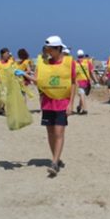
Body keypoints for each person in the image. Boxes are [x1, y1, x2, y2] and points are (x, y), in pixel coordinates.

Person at [22, 35, 76, 177]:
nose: (48, 52)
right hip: (47, 103)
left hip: (62, 102)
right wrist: (24, 74)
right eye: (47, 49)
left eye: (50, 49)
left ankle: (54, 162)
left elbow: (73, 83)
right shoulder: (43, 63)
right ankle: (55, 159)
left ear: (58, 49)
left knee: (59, 133)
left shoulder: (69, 62)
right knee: (50, 133)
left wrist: (71, 103)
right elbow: (38, 81)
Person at [75, 49, 97, 115]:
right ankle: (79, 107)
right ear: (83, 55)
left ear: (77, 55)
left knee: (82, 95)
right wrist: (95, 80)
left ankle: (85, 110)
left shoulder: (75, 63)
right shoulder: (87, 62)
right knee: (83, 94)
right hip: (87, 81)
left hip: (79, 81)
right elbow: (92, 72)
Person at [0, 48, 14, 114]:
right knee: (0, 96)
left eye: (8, 53)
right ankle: (0, 109)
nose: (8, 55)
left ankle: (3, 108)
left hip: (8, 81)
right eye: (7, 53)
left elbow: (13, 70)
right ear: (2, 54)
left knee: (7, 95)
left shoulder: (11, 61)